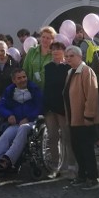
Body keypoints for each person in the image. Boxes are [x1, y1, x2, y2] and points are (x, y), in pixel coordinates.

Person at [0, 69, 43, 172]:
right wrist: (9, 115)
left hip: (32, 122)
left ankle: (8, 158)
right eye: (19, 78)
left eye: (24, 77)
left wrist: (28, 118)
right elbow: (1, 106)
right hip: (17, 121)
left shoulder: (34, 89)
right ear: (14, 80)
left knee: (23, 129)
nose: (23, 80)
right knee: (7, 133)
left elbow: (40, 107)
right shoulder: (9, 91)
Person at [63, 46, 99, 190]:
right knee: (77, 147)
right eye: (67, 56)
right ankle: (82, 174)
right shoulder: (70, 72)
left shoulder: (86, 71)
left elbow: (92, 95)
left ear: (80, 57)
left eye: (71, 56)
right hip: (73, 118)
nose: (68, 58)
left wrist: (89, 115)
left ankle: (92, 177)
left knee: (86, 148)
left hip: (84, 119)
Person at [43, 41, 74, 177]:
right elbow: (47, 87)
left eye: (58, 49)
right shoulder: (48, 67)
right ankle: (55, 165)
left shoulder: (68, 67)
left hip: (63, 106)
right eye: (53, 49)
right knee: (52, 136)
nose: (55, 52)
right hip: (50, 106)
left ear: (63, 51)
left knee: (67, 136)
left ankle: (69, 165)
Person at [22, 26, 56, 91]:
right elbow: (25, 69)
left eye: (48, 38)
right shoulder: (32, 51)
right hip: (32, 89)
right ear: (40, 37)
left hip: (48, 90)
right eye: (43, 37)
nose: (45, 40)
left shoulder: (55, 53)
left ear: (53, 40)